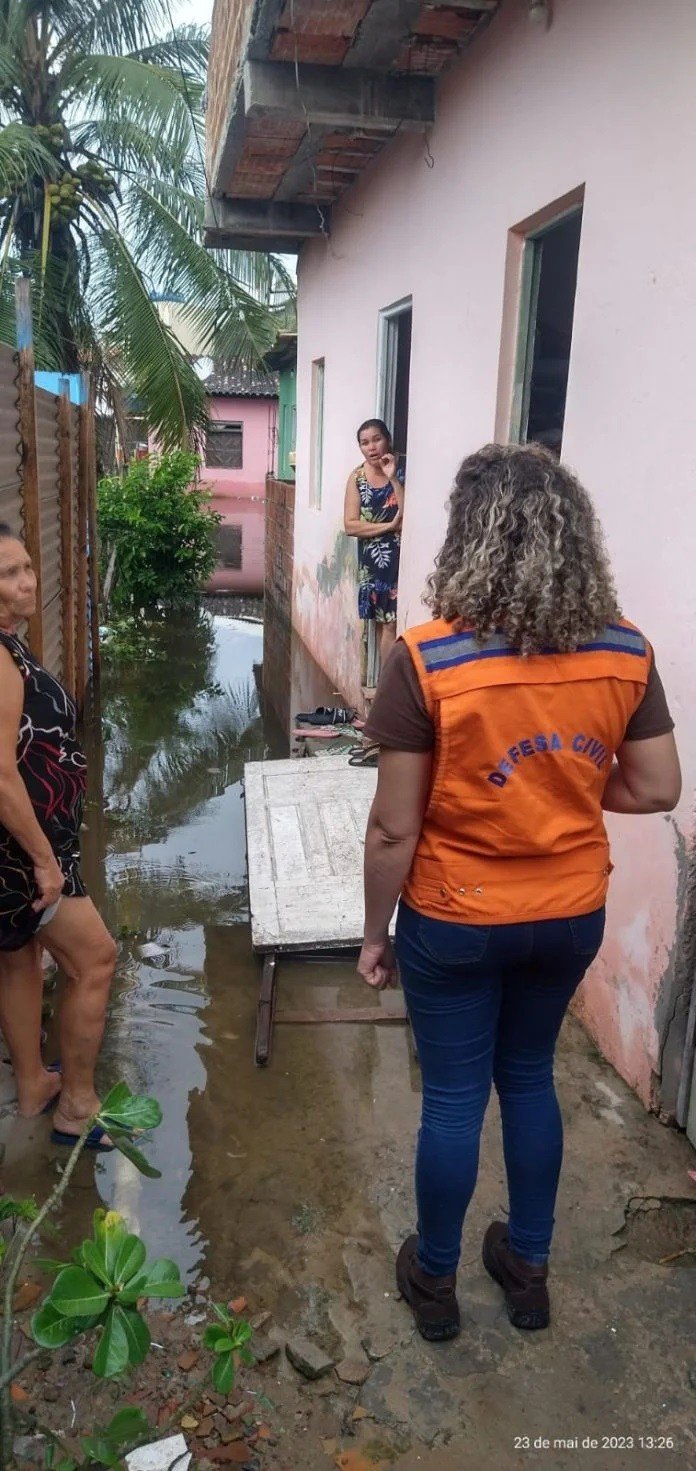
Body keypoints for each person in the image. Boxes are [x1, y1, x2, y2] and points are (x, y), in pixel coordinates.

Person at [357, 443, 681, 1342]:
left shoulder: (428, 658)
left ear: (468, 537)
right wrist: (573, 790)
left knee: (456, 1097)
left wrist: (374, 930)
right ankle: (528, 1268)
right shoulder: (626, 650)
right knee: (530, 1076)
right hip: (569, 913)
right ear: (578, 539)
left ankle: (434, 1278)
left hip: (456, 918)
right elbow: (657, 786)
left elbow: (393, 827)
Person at [0, 523, 117, 1147]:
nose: (27, 581)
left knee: (19, 959)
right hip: (24, 854)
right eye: (9, 574)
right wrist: (46, 862)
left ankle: (31, 1085)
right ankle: (76, 1104)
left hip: (24, 847)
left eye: (26, 567)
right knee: (95, 959)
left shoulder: (8, 643)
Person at [343, 419, 404, 669]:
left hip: (403, 558)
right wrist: (387, 527)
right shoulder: (357, 478)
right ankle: (387, 684)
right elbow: (350, 525)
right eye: (364, 443)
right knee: (384, 622)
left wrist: (393, 480)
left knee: (392, 622)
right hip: (374, 563)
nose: (371, 447)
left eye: (376, 439)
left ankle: (387, 685)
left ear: (387, 439)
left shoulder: (403, 469)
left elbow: (407, 513)